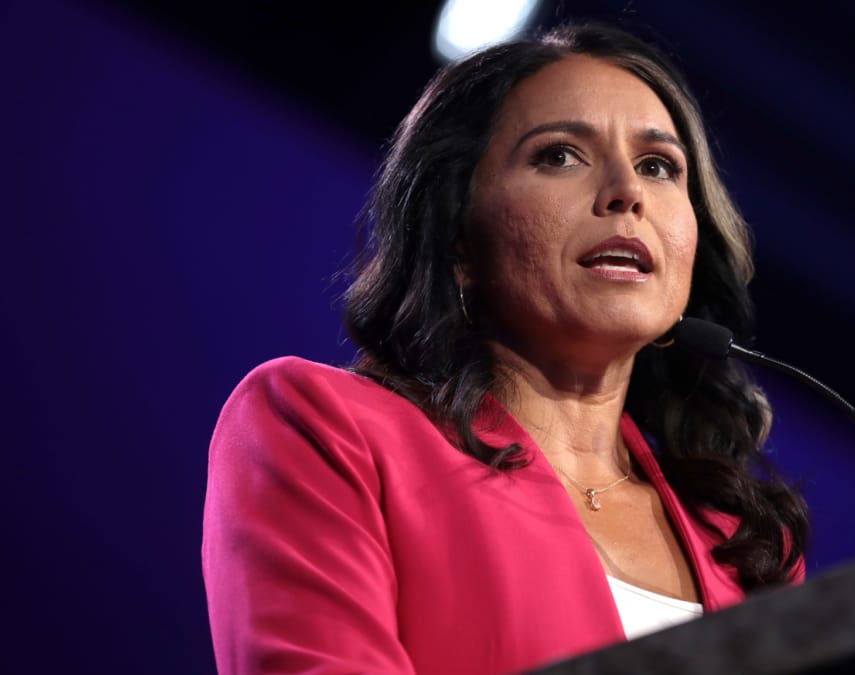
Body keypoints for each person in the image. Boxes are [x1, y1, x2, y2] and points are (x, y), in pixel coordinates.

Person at [202, 21, 809, 675]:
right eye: (559, 156)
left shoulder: (748, 548)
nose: (627, 193)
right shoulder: (327, 429)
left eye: (659, 166)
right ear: (459, 241)